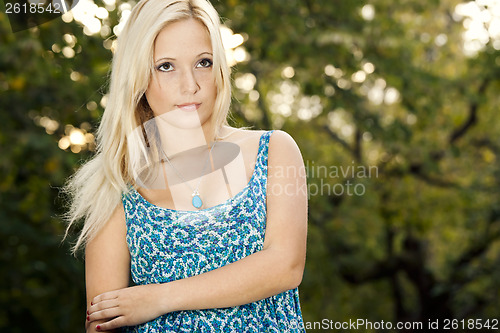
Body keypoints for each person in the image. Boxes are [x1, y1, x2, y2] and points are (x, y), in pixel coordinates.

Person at [63, 0, 308, 331]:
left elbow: (285, 266)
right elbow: (104, 322)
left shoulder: (274, 150)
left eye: (203, 63)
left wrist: (159, 298)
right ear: (138, 79)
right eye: (166, 66)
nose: (189, 85)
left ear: (220, 67)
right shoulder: (116, 186)